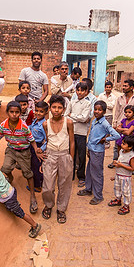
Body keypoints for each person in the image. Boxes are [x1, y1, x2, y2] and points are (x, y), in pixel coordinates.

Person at [0, 101, 44, 214]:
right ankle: (10, 178)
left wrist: (36, 150)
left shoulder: (24, 126)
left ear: (20, 113)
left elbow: (32, 140)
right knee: (5, 168)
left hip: (24, 152)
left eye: (17, 112)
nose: (14, 114)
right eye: (11, 112)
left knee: (28, 174)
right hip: (11, 150)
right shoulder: (3, 125)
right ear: (7, 112)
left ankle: (32, 197)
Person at [0, 151, 42, 238]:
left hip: (8, 198)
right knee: (13, 205)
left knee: (20, 213)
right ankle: (15, 205)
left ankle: (35, 225)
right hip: (11, 190)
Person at [77, 101, 120, 205]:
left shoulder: (105, 123)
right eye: (95, 109)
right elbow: (91, 135)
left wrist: (105, 139)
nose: (97, 111)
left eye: (99, 110)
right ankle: (88, 189)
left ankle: (98, 196)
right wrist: (88, 148)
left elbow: (117, 135)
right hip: (92, 149)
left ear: (104, 112)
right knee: (89, 171)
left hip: (98, 152)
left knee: (97, 174)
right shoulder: (95, 120)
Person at [41, 95, 75, 224]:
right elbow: (48, 140)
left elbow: (72, 142)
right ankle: (49, 205)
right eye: (54, 107)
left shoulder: (68, 122)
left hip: (65, 155)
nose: (56, 110)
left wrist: (70, 159)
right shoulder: (46, 124)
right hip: (50, 155)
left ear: (64, 109)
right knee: (48, 185)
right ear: (49, 108)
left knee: (65, 184)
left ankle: (61, 209)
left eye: (59, 108)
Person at [109, 79, 134, 167]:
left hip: (132, 125)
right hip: (121, 123)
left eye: (125, 86)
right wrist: (115, 123)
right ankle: (115, 161)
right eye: (123, 86)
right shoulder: (120, 98)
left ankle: (131, 165)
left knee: (131, 146)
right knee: (118, 145)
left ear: (131, 87)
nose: (123, 88)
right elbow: (116, 111)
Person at [64, 82, 92, 186]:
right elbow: (66, 116)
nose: (79, 92)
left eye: (82, 90)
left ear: (86, 92)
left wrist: (72, 115)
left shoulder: (87, 103)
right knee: (71, 154)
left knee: (81, 155)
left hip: (81, 132)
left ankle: (81, 176)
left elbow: (85, 117)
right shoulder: (72, 102)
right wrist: (77, 117)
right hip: (71, 131)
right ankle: (70, 174)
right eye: (78, 90)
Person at [108, 135, 134, 215]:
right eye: (122, 143)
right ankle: (118, 199)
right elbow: (120, 160)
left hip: (125, 177)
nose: (122, 145)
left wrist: (121, 165)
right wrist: (116, 163)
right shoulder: (121, 151)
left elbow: (132, 168)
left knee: (126, 191)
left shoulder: (131, 156)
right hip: (118, 175)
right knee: (117, 188)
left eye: (124, 144)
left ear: (130, 147)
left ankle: (126, 205)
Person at [28, 101, 48, 193]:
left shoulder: (44, 124)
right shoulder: (35, 120)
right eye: (36, 111)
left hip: (38, 146)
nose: (38, 113)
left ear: (46, 113)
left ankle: (38, 186)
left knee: (37, 166)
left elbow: (48, 139)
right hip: (31, 145)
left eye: (41, 111)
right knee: (33, 165)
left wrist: (41, 149)